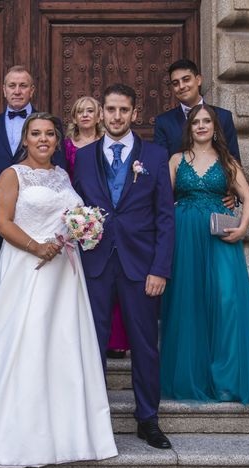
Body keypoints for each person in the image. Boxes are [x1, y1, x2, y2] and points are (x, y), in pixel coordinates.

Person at [0, 112, 117, 468]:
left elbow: (71, 215)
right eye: (35, 134)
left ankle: (67, 428)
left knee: (62, 342)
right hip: (27, 266)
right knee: (24, 338)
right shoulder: (12, 174)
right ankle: (19, 428)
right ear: (25, 139)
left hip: (63, 273)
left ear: (57, 140)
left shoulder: (63, 175)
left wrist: (81, 229)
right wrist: (37, 247)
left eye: (50, 134)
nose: (43, 139)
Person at [73, 84, 175, 449]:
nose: (117, 116)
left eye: (124, 110)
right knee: (91, 344)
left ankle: (148, 418)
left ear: (135, 113)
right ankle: (94, 419)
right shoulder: (83, 158)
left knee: (145, 346)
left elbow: (165, 217)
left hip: (141, 266)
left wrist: (160, 269)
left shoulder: (156, 155)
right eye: (111, 109)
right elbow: (74, 209)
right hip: (94, 265)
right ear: (101, 112)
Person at [160, 105, 249, 405]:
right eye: (196, 122)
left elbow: (248, 198)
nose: (201, 126)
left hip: (220, 238)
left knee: (226, 301)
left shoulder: (227, 161)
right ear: (189, 128)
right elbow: (163, 199)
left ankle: (226, 378)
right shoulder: (176, 160)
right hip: (185, 237)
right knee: (190, 302)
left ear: (215, 127)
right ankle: (192, 377)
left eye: (207, 122)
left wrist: (242, 228)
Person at [0, 66, 67, 341]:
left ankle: (27, 340)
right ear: (3, 90)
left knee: (30, 281)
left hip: (38, 223)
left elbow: (58, 176)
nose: (17, 91)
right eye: (12, 85)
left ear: (32, 90)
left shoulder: (51, 127)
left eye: (23, 85)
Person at [65, 96, 130, 360]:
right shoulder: (67, 146)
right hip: (79, 214)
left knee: (113, 280)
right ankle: (87, 336)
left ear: (99, 115)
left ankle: (116, 340)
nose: (85, 115)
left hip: (107, 214)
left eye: (90, 111)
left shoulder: (108, 144)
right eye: (79, 111)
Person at [154, 58, 240, 161]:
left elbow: (234, 160)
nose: (181, 86)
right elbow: (160, 165)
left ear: (198, 80)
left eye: (186, 79)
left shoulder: (223, 117)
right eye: (176, 83)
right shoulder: (163, 122)